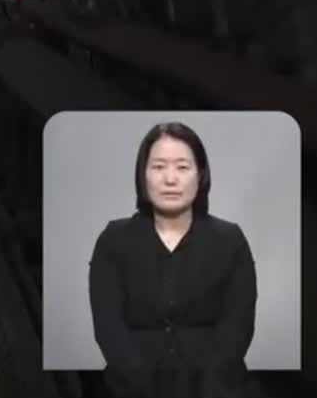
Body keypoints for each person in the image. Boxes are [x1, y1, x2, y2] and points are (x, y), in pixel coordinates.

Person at [87, 121, 257, 373]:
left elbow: (238, 325)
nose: (170, 179)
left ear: (200, 174)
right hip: (131, 393)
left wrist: (207, 386)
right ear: (142, 175)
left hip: (215, 393)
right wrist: (140, 383)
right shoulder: (113, 241)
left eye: (182, 167)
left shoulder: (231, 241)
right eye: (158, 167)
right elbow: (108, 326)